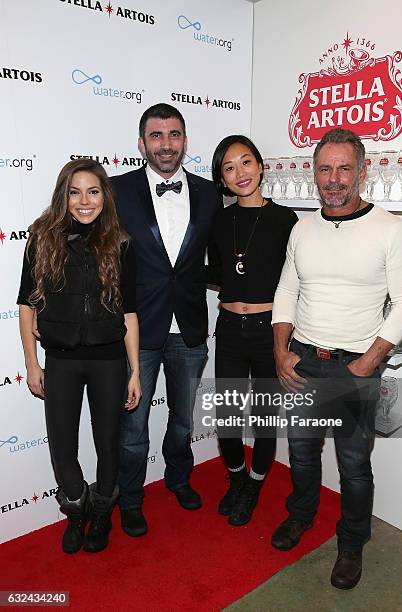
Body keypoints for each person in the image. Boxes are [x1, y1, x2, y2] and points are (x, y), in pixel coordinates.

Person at [271, 128, 402, 589]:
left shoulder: (391, 229)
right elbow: (288, 290)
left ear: (362, 171)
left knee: (354, 463)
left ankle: (352, 542)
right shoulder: (302, 228)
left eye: (343, 168)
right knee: (300, 451)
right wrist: (280, 349)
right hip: (303, 362)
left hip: (356, 367)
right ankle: (301, 515)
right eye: (324, 168)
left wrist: (369, 360)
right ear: (314, 172)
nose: (333, 179)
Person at [17, 159, 141, 554]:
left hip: (108, 360)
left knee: (107, 443)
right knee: (62, 446)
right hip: (62, 359)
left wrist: (135, 370)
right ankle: (76, 509)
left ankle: (102, 513)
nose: (84, 201)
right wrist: (32, 363)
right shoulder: (41, 237)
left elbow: (130, 311)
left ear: (105, 196)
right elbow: (26, 304)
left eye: (93, 191)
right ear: (63, 195)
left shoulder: (121, 242)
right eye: (75, 192)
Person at [112, 103, 219, 537]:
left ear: (185, 142)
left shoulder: (210, 193)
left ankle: (178, 478)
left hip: (190, 328)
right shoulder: (115, 191)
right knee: (133, 424)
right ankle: (131, 498)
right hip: (138, 329)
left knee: (182, 418)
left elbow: (221, 257)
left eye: (174, 135)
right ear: (141, 143)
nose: (166, 144)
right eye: (156, 136)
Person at [209, 135, 298, 525]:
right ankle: (237, 480)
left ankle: (255, 485)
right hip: (228, 327)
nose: (239, 173)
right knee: (226, 416)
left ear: (261, 166)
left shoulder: (285, 220)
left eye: (246, 162)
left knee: (264, 418)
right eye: (229, 168)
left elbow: (296, 284)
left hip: (268, 330)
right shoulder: (219, 219)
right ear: (222, 179)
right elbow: (216, 271)